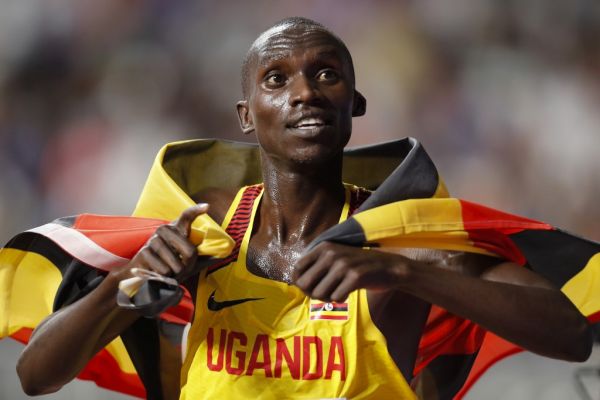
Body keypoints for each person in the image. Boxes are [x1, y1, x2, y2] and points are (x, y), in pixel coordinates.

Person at [16, 17, 592, 400]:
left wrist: (399, 272)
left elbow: (571, 337)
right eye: (276, 78)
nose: (305, 92)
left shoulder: (399, 244)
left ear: (355, 103)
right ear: (247, 114)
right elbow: (37, 376)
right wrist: (125, 283)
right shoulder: (203, 238)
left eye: (326, 75)